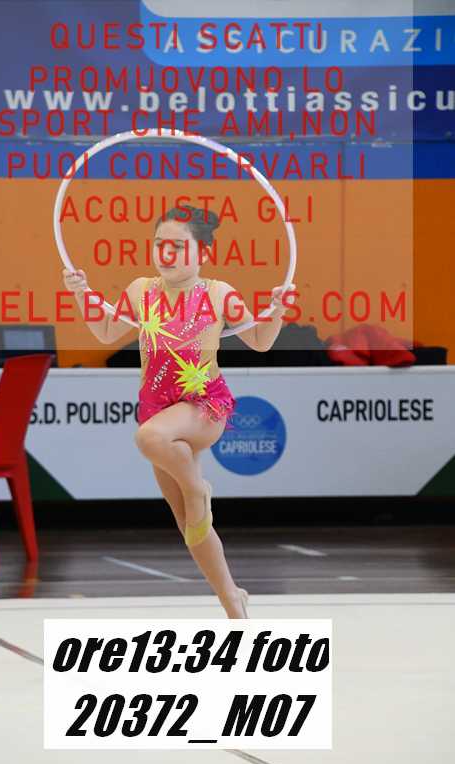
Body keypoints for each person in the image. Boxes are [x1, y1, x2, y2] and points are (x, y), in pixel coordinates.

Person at [63, 205, 293, 618]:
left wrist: (276, 310)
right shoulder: (140, 291)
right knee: (190, 522)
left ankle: (197, 487)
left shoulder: (218, 294)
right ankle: (233, 601)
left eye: (178, 246)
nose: (166, 254)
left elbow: (260, 341)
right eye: (159, 245)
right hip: (159, 410)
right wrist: (81, 293)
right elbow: (106, 331)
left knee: (150, 440)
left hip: (204, 407)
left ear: (202, 251)